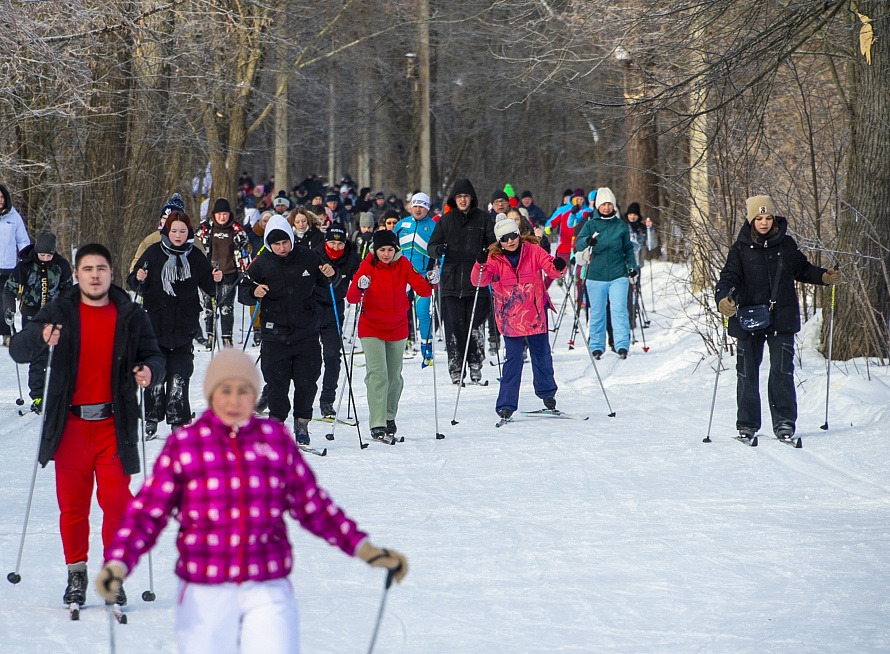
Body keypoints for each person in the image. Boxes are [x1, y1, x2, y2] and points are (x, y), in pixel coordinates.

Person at [95, 348, 408, 653]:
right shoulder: (185, 445)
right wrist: (119, 562)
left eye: (244, 390)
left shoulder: (273, 440)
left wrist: (364, 549)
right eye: (225, 390)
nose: (234, 400)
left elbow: (314, 507)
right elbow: (148, 514)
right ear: (210, 393)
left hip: (266, 583)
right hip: (205, 585)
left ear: (256, 395)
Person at [8, 243, 164, 610]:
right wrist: (41, 336)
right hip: (72, 426)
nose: (95, 275)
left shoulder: (130, 314)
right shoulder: (60, 311)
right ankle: (76, 572)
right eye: (88, 269)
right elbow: (18, 349)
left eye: (102, 268)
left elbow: (155, 356)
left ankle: (112, 575)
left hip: (114, 423)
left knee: (117, 504)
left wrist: (149, 371)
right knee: (73, 507)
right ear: (76, 274)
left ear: (111, 273)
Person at [715, 195, 839, 441]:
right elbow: (728, 279)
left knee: (782, 371)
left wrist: (824, 276)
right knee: (747, 372)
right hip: (749, 318)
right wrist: (723, 299)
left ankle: (784, 422)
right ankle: (747, 424)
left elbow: (802, 269)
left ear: (774, 219)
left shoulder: (786, 245)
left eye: (768, 218)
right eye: (759, 218)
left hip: (781, 317)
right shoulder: (740, 248)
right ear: (751, 219)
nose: (764, 223)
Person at [238, 214, 336, 445]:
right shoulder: (261, 263)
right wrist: (254, 293)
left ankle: (302, 423)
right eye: (276, 244)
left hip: (306, 333)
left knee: (307, 381)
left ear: (292, 239)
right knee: (277, 384)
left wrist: (333, 275)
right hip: (275, 335)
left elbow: (329, 280)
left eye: (285, 243)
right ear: (269, 245)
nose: (282, 248)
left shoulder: (308, 257)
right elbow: (243, 291)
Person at [128, 211, 223, 438]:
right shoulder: (153, 253)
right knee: (155, 373)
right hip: (155, 323)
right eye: (174, 231)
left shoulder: (196, 257)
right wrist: (138, 277)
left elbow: (210, 288)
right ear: (167, 232)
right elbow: (134, 282)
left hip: (184, 323)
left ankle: (178, 419)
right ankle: (151, 418)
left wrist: (217, 280)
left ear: (189, 232)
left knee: (180, 373)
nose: (178, 235)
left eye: (183, 231)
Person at [346, 229, 435, 442]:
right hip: (371, 327)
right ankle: (377, 423)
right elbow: (351, 298)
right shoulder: (367, 265)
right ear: (375, 250)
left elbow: (423, 290)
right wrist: (360, 285)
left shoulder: (403, 263)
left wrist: (432, 280)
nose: (386, 254)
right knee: (378, 375)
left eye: (389, 249)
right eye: (382, 250)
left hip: (397, 326)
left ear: (396, 249)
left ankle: (388, 416)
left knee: (394, 377)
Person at [473, 216, 565, 419]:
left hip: (535, 313)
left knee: (541, 356)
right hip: (510, 316)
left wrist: (559, 265)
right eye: (504, 239)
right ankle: (506, 405)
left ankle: (547, 394)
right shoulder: (494, 258)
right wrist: (480, 264)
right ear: (499, 241)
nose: (510, 241)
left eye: (513, 236)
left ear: (519, 235)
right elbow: (479, 281)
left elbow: (552, 269)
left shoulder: (532, 250)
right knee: (513, 360)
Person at [427, 178, 496, 384]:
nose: (463, 200)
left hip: (478, 280)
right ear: (454, 199)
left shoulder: (483, 219)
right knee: (454, 326)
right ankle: (456, 366)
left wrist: (488, 253)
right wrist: (439, 250)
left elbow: (494, 243)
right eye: (459, 197)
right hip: (451, 280)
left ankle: (475, 364)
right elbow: (432, 245)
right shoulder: (446, 220)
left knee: (475, 325)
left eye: (466, 196)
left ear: (472, 198)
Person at [3, 232, 73, 413]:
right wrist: (9, 309)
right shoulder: (25, 265)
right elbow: (9, 289)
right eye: (42, 255)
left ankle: (62, 394)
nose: (45, 259)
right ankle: (38, 396)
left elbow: (68, 292)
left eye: (49, 256)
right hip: (32, 315)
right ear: (37, 252)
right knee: (38, 356)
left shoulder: (61, 266)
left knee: (60, 354)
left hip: (55, 314)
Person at [574, 187, 637, 359]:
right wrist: (588, 241)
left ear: (614, 205)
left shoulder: (620, 225)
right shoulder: (591, 224)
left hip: (618, 274)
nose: (607, 208)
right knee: (597, 311)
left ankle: (622, 345)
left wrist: (632, 267)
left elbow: (628, 249)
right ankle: (596, 346)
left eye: (610, 204)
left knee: (619, 310)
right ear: (598, 206)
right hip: (596, 275)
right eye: (603, 204)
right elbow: (579, 243)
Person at [313, 222, 360, 417]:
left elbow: (360, 277)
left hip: (334, 308)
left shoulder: (351, 258)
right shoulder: (314, 254)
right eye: (332, 243)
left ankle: (327, 400)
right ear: (326, 242)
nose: (336, 248)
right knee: (306, 358)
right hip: (311, 309)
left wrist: (340, 277)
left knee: (332, 356)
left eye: (340, 245)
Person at [197, 197, 252, 349]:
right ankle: (210, 336)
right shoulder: (205, 229)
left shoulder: (236, 230)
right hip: (208, 275)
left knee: (226, 307)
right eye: (219, 214)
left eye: (225, 214)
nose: (222, 217)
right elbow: (195, 248)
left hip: (229, 273)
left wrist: (246, 251)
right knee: (209, 307)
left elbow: (246, 248)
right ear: (214, 214)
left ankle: (226, 337)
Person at [395, 192, 438, 362]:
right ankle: (402, 344)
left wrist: (436, 272)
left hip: (421, 276)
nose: (418, 209)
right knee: (400, 311)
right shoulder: (401, 224)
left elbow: (440, 252)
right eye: (415, 205)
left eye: (422, 206)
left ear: (427, 208)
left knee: (423, 312)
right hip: (402, 275)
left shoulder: (433, 227)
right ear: (410, 206)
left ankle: (426, 348)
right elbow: (390, 246)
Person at [0, 183, 31, 345]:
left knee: (7, 302)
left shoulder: (14, 217)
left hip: (8, 267)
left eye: (1, 197)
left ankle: (8, 334)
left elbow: (23, 241)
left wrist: (26, 258)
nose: (0, 200)